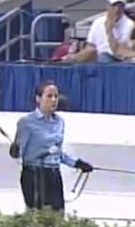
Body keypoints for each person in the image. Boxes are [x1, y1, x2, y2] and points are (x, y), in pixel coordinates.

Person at [9, 80, 93, 212]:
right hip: (34, 174)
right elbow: (19, 154)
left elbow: (58, 152)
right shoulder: (26, 122)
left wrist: (77, 163)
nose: (54, 100)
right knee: (37, 215)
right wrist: (15, 150)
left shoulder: (59, 122)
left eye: (56, 96)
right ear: (38, 98)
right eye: (49, 96)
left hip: (53, 173)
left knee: (58, 213)